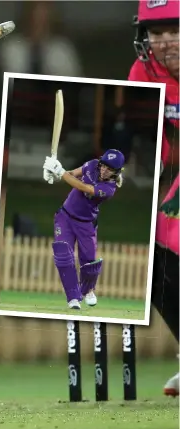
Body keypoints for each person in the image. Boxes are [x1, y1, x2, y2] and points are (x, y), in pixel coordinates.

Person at [128, 0, 179, 398]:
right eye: (155, 32)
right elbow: (152, 147)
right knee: (156, 255)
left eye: (173, 29)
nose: (164, 41)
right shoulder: (143, 72)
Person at [42, 150, 125, 309]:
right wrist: (54, 173)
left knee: (89, 263)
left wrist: (60, 172)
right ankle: (72, 297)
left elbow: (84, 187)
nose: (104, 170)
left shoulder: (109, 189)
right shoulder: (93, 164)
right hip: (65, 216)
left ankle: (88, 291)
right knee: (62, 253)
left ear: (116, 173)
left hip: (86, 224)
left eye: (110, 169)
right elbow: (72, 174)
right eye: (104, 165)